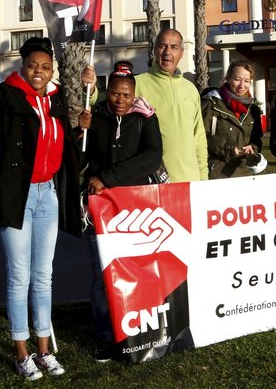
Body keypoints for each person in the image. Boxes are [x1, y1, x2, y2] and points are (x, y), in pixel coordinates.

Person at [0, 37, 82, 380]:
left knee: (43, 277)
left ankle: (44, 350)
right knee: (20, 277)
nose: (39, 72)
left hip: (47, 194)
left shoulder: (56, 98)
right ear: (23, 66)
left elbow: (68, 143)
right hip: (14, 196)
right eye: (33, 65)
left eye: (46, 67)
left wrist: (86, 107)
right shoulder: (9, 92)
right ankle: (22, 354)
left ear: (53, 71)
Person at [77, 61, 163, 361]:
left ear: (134, 94)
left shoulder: (145, 117)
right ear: (107, 92)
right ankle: (106, 335)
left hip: (134, 206)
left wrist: (108, 178)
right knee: (103, 273)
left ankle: (140, 330)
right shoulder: (96, 115)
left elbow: (153, 156)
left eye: (126, 95)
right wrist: (80, 132)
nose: (120, 100)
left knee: (137, 270)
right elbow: (79, 161)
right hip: (99, 208)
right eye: (115, 94)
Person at [132, 28, 208, 182]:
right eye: (162, 46)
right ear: (154, 50)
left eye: (174, 47)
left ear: (181, 53)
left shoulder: (190, 89)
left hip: (190, 181)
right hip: (152, 182)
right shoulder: (136, 84)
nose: (167, 52)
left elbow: (199, 138)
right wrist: (91, 90)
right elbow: (104, 103)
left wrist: (203, 179)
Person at [201, 60, 264, 178]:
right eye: (237, 79)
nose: (242, 86)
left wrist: (253, 148)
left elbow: (257, 139)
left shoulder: (252, 109)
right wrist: (227, 146)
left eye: (246, 81)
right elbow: (201, 137)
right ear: (228, 78)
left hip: (245, 174)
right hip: (218, 173)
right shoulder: (210, 104)